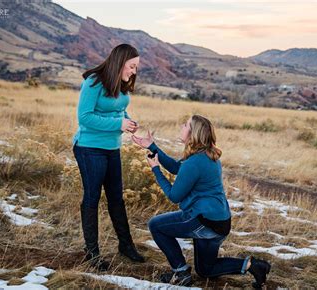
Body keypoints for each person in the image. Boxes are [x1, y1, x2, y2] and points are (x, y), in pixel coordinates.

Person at [132, 115, 271, 289]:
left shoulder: (195, 161)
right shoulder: (205, 154)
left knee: (156, 225)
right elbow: (177, 168)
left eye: (185, 125)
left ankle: (180, 272)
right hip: (219, 221)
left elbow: (174, 196)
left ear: (193, 133)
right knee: (206, 269)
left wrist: (156, 170)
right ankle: (254, 266)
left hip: (204, 221)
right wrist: (151, 146)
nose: (181, 126)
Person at [72, 43, 145, 271]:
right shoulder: (93, 81)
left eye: (136, 67)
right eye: (131, 66)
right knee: (92, 198)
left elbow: (118, 110)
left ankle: (126, 246)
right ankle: (92, 253)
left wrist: (128, 122)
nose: (134, 71)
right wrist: (118, 124)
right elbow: (85, 117)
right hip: (89, 147)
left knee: (116, 199)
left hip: (112, 148)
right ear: (120, 61)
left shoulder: (120, 84)